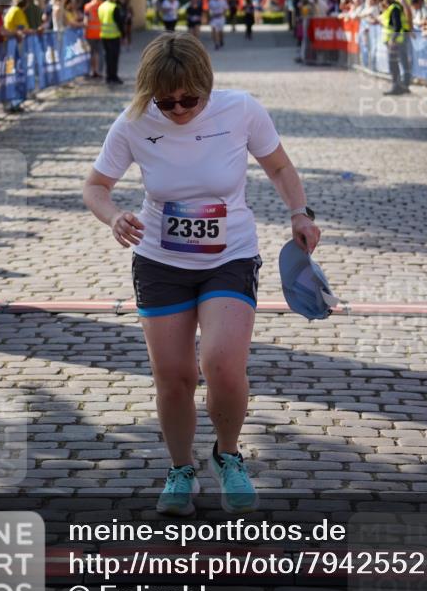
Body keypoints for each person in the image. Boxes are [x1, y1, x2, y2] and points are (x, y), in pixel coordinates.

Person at [83, 32, 320, 516]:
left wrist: (299, 212)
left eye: (189, 99)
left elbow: (278, 167)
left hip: (230, 256)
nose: (178, 109)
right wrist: (113, 216)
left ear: (206, 86)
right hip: (159, 261)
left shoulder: (241, 110)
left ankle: (227, 455)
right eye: (165, 102)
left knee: (222, 365)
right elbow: (96, 185)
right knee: (174, 377)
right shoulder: (132, 124)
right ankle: (180, 469)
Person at [380, 0, 405, 95]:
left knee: (393, 65)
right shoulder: (390, 7)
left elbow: (397, 26)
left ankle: (396, 87)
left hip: (394, 42)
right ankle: (397, 86)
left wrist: (393, 40)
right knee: (393, 65)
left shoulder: (394, 8)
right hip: (391, 41)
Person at [98, 0, 124, 85]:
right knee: (114, 57)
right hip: (114, 36)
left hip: (104, 35)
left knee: (107, 57)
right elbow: (119, 23)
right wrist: (123, 35)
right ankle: (113, 76)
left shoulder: (101, 6)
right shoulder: (114, 7)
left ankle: (108, 76)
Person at [83, 0, 103, 79]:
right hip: (101, 32)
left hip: (90, 33)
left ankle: (93, 71)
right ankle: (99, 71)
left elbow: (85, 21)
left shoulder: (87, 6)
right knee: (100, 53)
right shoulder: (102, 5)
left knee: (92, 53)